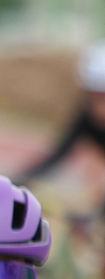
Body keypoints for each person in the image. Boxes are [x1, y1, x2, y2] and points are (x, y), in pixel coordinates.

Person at [18, 43, 105, 184]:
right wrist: (18, 181)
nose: (98, 106)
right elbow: (58, 155)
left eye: (103, 97)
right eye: (93, 95)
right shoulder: (86, 117)